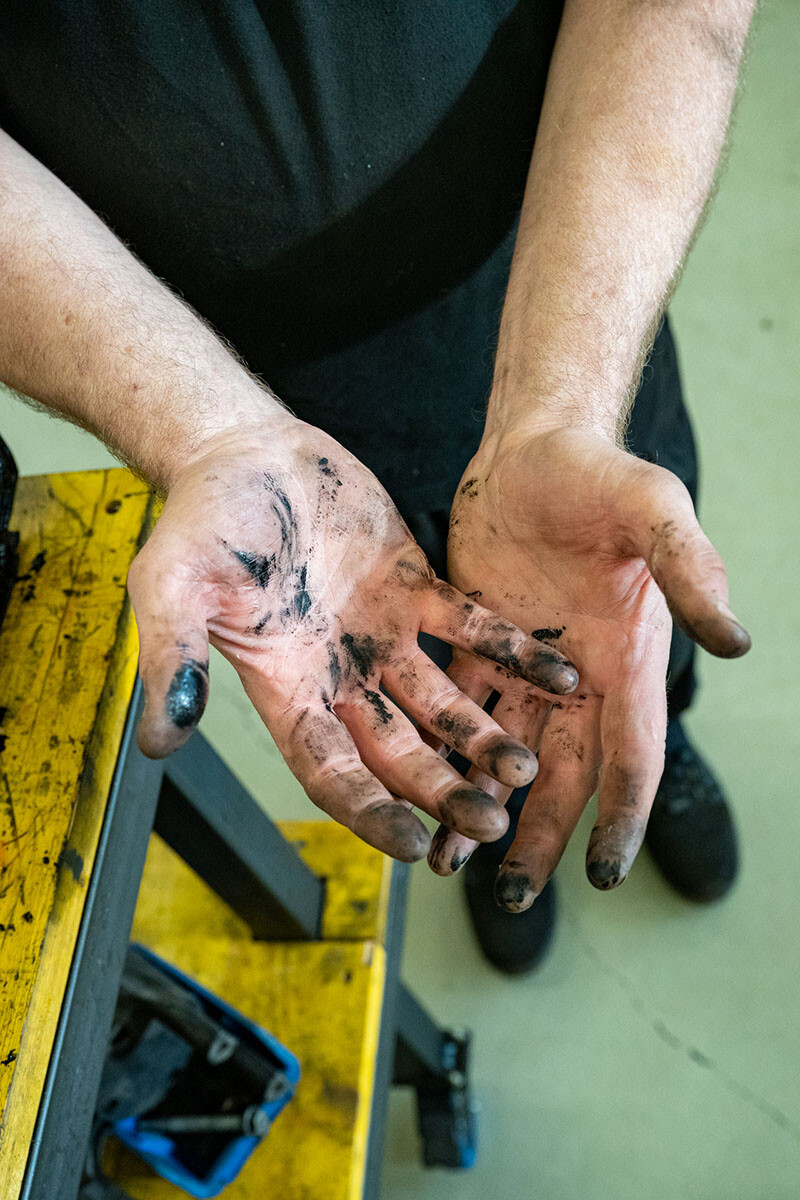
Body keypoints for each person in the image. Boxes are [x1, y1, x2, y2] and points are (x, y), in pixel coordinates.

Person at [0, 0, 754, 974]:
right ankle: (499, 804)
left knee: (616, 606)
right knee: (428, 673)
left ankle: (657, 730)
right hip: (219, 366)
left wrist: (559, 405)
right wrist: (207, 429)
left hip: (566, 304)